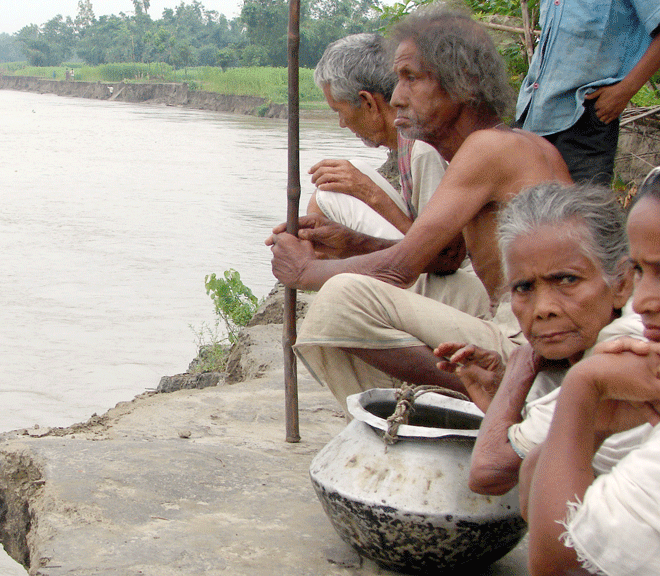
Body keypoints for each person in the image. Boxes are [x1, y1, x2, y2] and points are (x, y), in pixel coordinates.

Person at [268, 5, 571, 410]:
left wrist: (306, 271)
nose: (396, 97)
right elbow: (445, 259)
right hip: (519, 319)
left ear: (464, 83)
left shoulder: (489, 149)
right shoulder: (510, 145)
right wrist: (351, 241)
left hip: (531, 342)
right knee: (434, 285)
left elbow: (400, 267)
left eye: (411, 78)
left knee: (339, 301)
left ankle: (499, 398)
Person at [433, 182, 643, 497]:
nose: (543, 309)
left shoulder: (625, 349)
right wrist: (502, 392)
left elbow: (489, 473)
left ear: (621, 284)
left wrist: (520, 365)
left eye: (568, 280)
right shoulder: (571, 357)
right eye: (524, 287)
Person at [520, 167, 660, 576]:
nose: (643, 300)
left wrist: (583, 389)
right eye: (641, 271)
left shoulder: (621, 348)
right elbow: (531, 483)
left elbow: (559, 562)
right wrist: (595, 422)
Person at [307, 32, 489, 319]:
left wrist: (372, 194)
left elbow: (444, 256)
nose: (342, 124)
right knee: (333, 184)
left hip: (461, 288)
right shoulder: (408, 139)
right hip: (446, 268)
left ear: (367, 102)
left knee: (333, 191)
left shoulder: (423, 149)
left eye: (339, 112)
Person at [514, 0, 660, 185]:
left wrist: (625, 90)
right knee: (522, 208)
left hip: (587, 117)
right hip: (532, 114)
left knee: (578, 210)